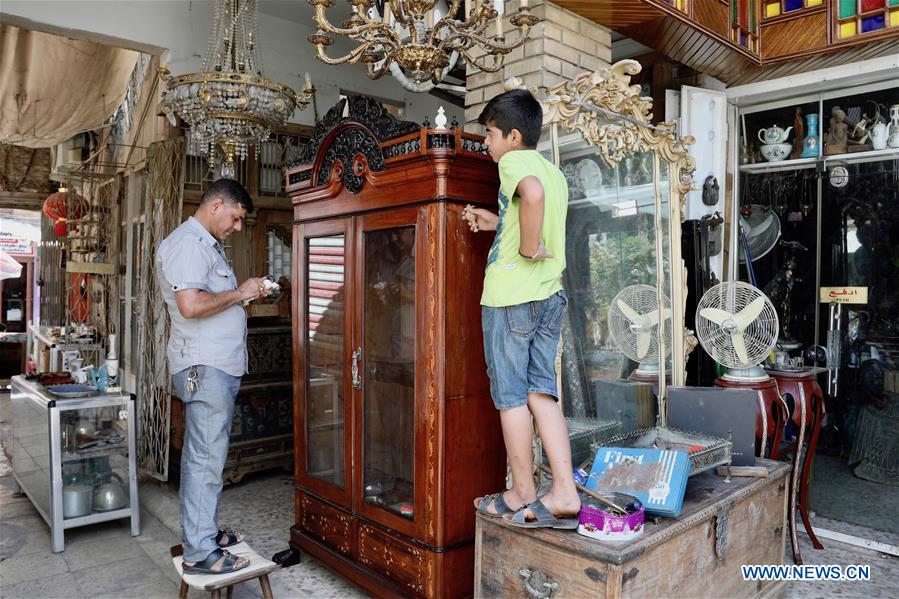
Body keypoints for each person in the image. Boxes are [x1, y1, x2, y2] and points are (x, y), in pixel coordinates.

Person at [463, 89, 580, 529]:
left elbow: (529, 197)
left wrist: (528, 249)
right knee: (540, 393)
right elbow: (535, 206)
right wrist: (500, 225)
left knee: (510, 398)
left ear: (513, 136)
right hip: (549, 297)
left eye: (490, 134)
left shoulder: (513, 165)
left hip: (510, 300)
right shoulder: (555, 171)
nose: (486, 143)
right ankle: (564, 491)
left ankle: (522, 491)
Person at [157, 178, 271, 574]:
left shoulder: (206, 246)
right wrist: (241, 293)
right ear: (217, 204)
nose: (237, 227)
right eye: (236, 218)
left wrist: (245, 296)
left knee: (208, 455)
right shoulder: (189, 244)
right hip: (204, 367)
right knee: (204, 458)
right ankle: (200, 551)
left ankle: (205, 531)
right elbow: (190, 305)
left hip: (214, 364)